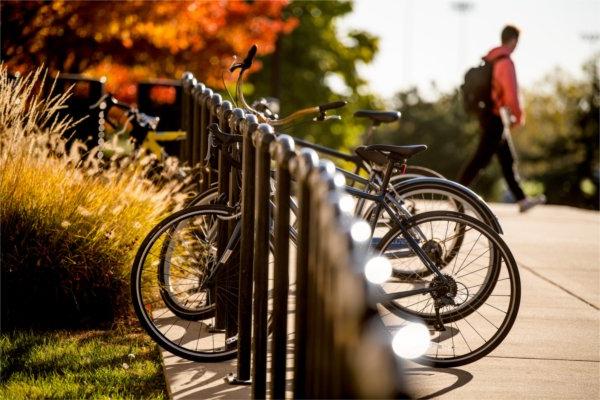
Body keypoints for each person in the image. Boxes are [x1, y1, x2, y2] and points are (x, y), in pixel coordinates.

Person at [458, 25, 546, 213]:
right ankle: (456, 193)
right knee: (480, 159)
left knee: (507, 160)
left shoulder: (493, 58)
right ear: (513, 40)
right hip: (496, 118)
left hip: (490, 115)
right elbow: (510, 93)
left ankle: (522, 200)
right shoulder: (505, 62)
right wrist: (517, 117)